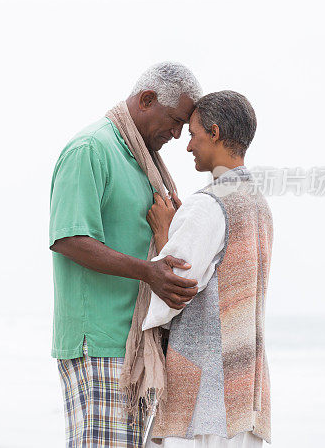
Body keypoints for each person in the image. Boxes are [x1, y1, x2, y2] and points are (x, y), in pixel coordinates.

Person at [49, 62, 203, 447]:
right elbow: (68, 239)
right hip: (99, 341)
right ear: (147, 100)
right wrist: (149, 272)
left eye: (185, 127)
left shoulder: (142, 160)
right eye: (174, 121)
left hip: (136, 345)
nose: (177, 135)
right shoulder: (91, 149)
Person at [138, 90, 273, 447]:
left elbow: (173, 286)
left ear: (214, 133)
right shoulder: (259, 205)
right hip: (246, 393)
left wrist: (165, 232)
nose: (187, 146)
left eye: (194, 134)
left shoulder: (208, 205)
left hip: (202, 395)